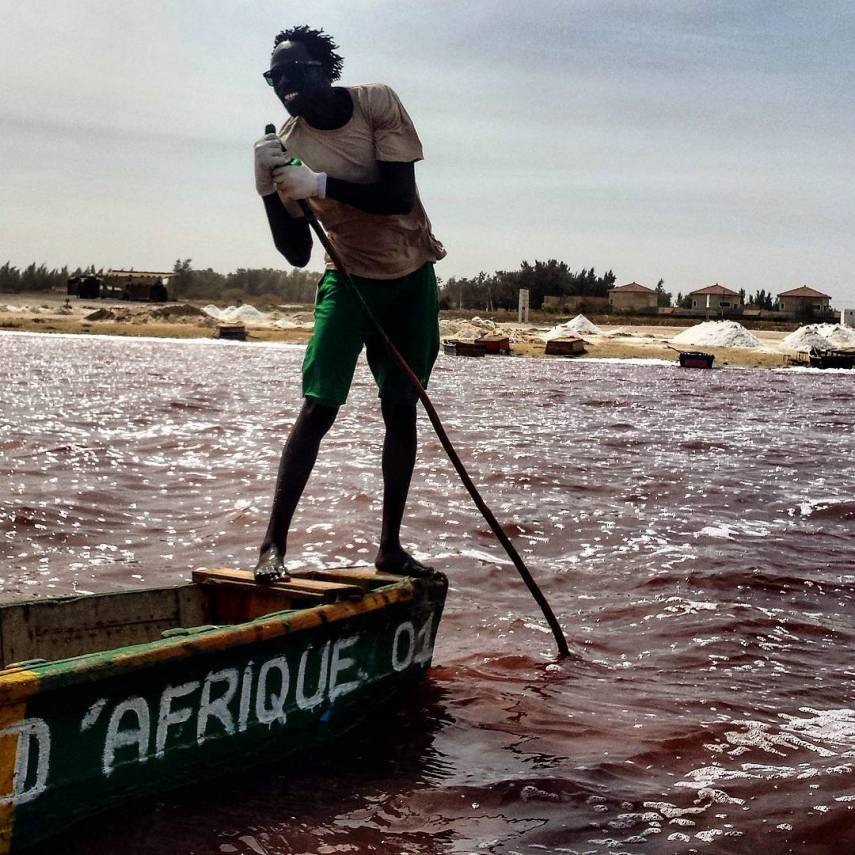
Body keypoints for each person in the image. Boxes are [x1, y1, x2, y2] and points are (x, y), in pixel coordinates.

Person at [253, 25, 445, 581]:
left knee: (401, 408)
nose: (285, 84)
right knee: (318, 407)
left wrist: (317, 183)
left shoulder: (376, 103)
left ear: (327, 68)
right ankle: (272, 547)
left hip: (411, 270)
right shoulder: (288, 144)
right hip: (349, 277)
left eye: (296, 71)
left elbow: (397, 196)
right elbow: (294, 251)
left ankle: (389, 548)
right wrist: (270, 189)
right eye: (275, 77)